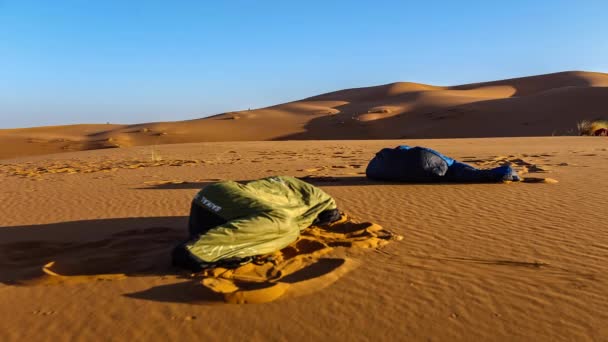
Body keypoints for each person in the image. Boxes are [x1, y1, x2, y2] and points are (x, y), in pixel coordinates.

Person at [172, 176, 340, 271]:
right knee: (287, 226)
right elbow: (329, 215)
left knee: (282, 223)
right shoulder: (322, 200)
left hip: (207, 202)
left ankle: (205, 247)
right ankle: (197, 252)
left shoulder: (289, 185)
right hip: (222, 204)